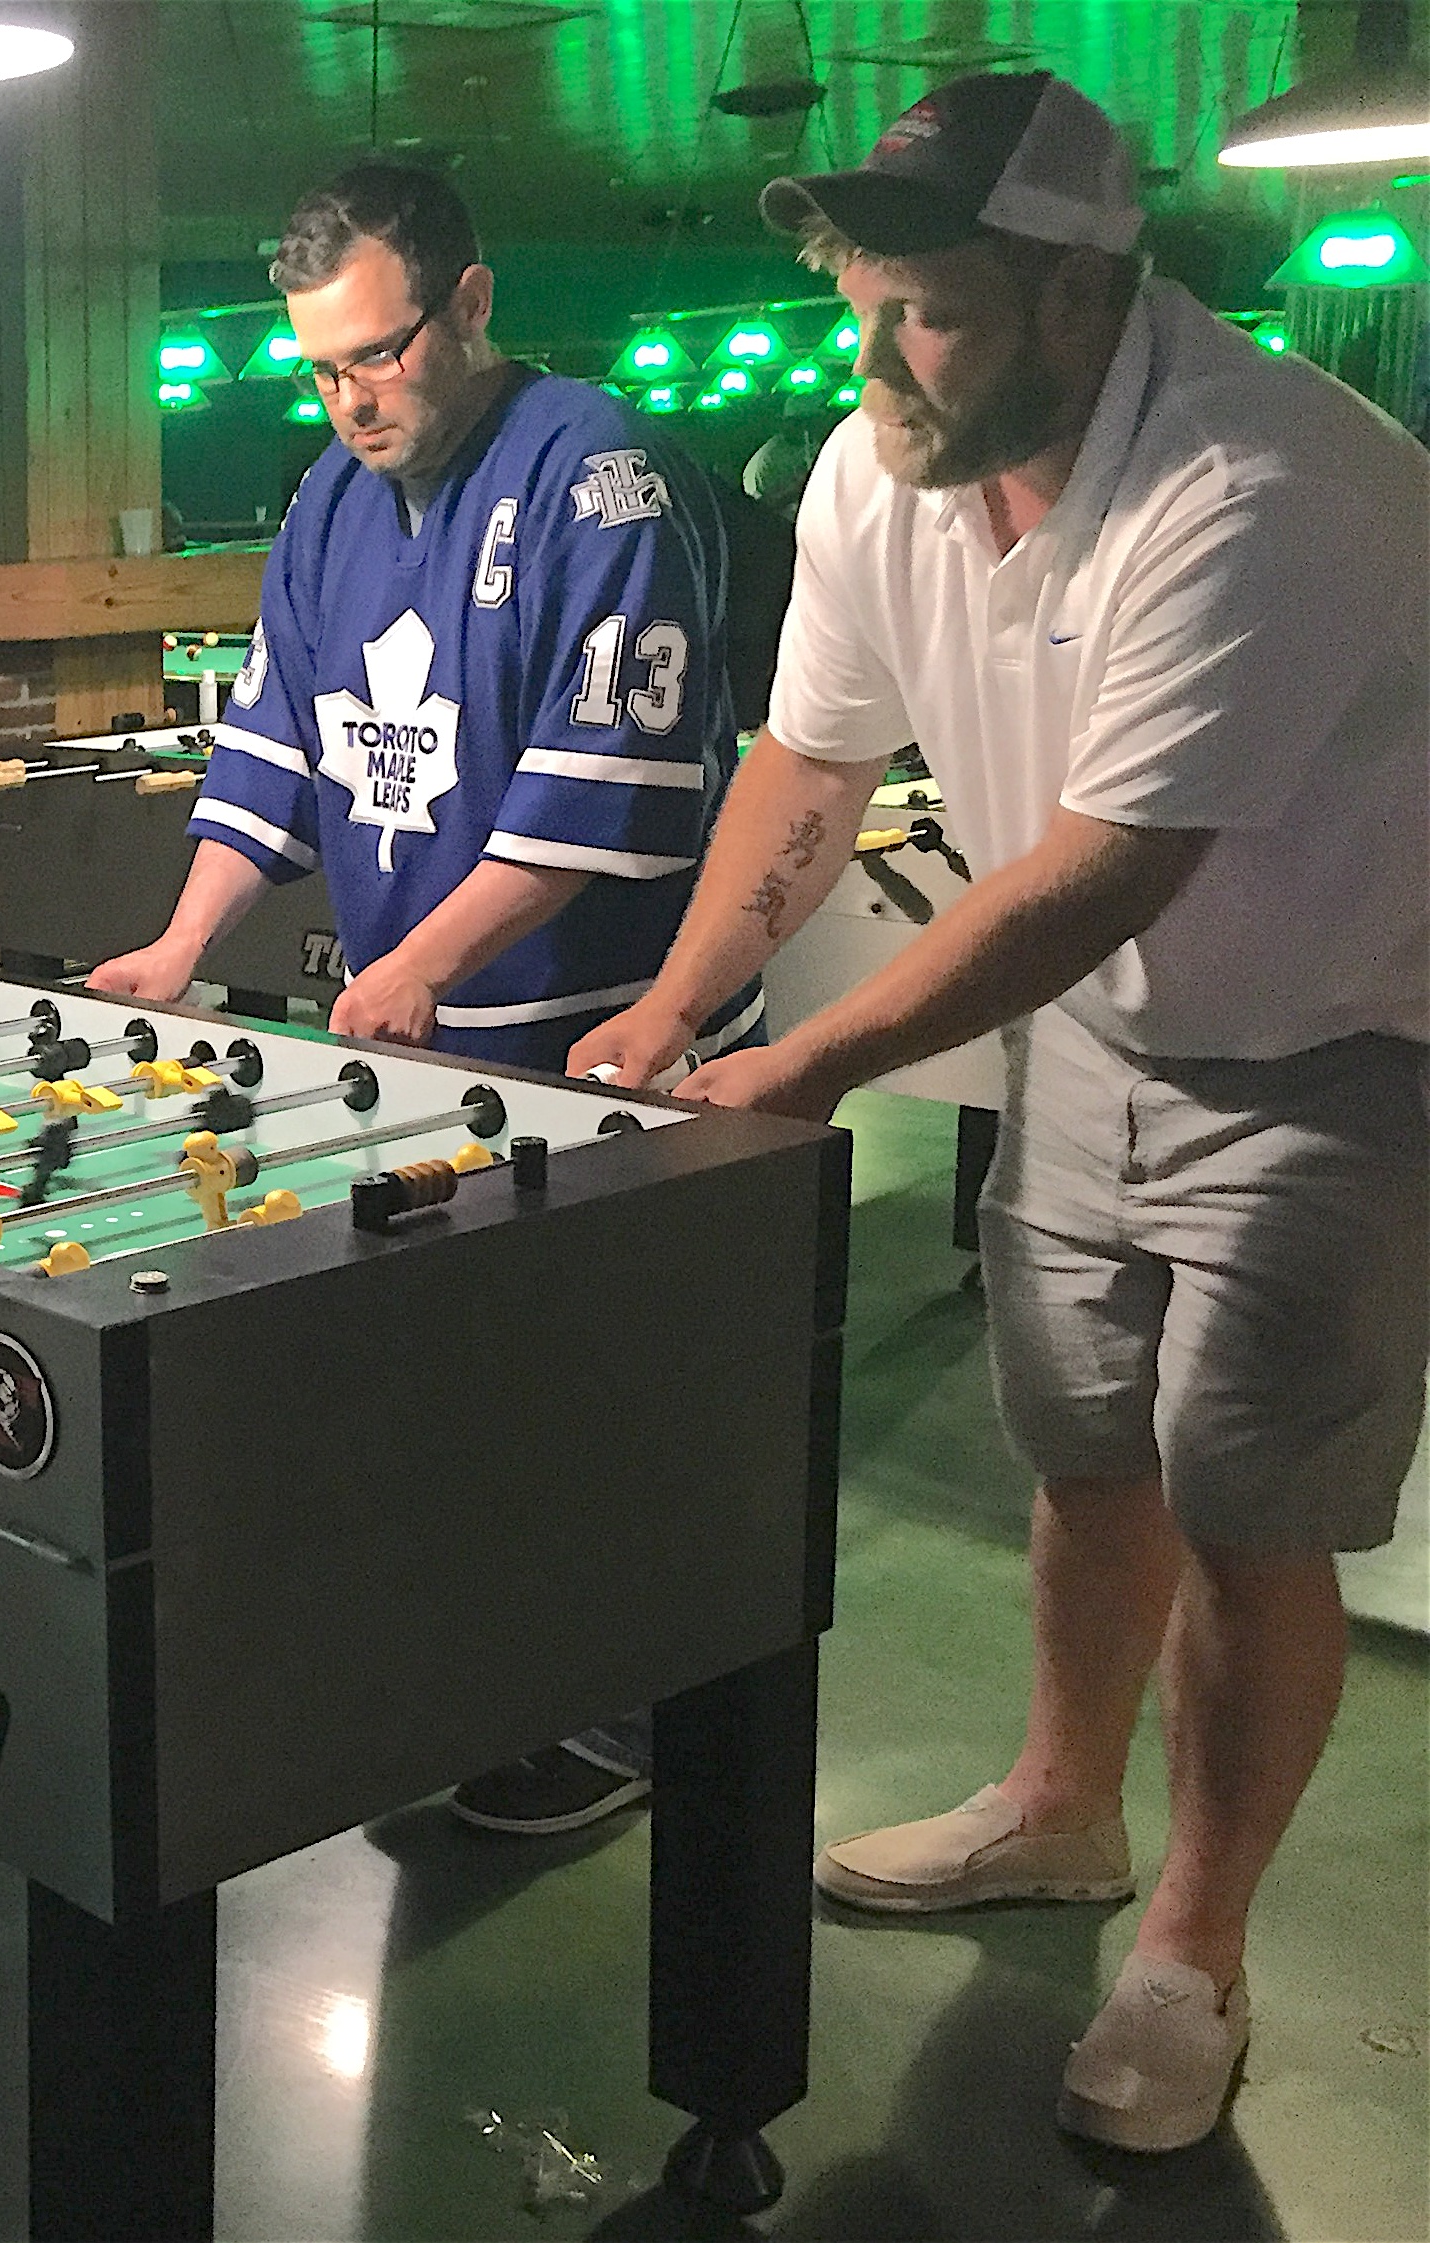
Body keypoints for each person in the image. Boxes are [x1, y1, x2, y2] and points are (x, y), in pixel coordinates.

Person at [572, 72, 1428, 2154]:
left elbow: (1101, 866)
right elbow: (805, 768)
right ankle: (1059, 1811)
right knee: (1077, 1438)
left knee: (1244, 1496)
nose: (867, 357)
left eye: (923, 312)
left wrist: (803, 1066)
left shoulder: (1259, 479)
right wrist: (668, 1012)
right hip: (1102, 1031)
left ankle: (1189, 1957)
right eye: (855, 305)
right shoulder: (881, 474)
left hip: (1339, 1041)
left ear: (1073, 293)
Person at [90, 163, 756, 1836]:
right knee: (466, 1402)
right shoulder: (326, 498)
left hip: (600, 1051)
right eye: (317, 369)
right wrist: (182, 946)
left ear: (467, 302)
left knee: (615, 1404)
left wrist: (408, 967)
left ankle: (636, 1728)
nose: (349, 398)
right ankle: (490, 1683)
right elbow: (273, 743)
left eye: (376, 355)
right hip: (431, 1053)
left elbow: (604, 793)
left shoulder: (604, 480)